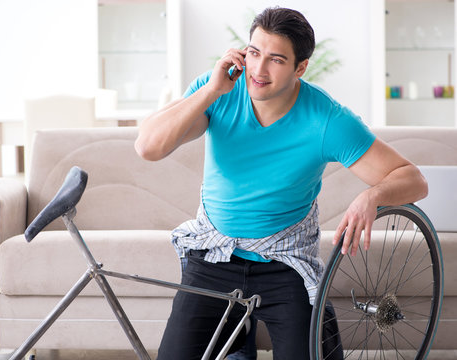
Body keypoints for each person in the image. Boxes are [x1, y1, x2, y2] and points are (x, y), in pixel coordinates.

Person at [134, 7, 428, 360]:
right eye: (254, 53)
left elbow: (413, 179)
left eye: (275, 59)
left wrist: (373, 195)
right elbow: (148, 147)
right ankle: (239, 346)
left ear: (300, 67)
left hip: (284, 266)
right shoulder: (221, 91)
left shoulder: (327, 119)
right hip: (213, 260)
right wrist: (212, 89)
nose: (258, 70)